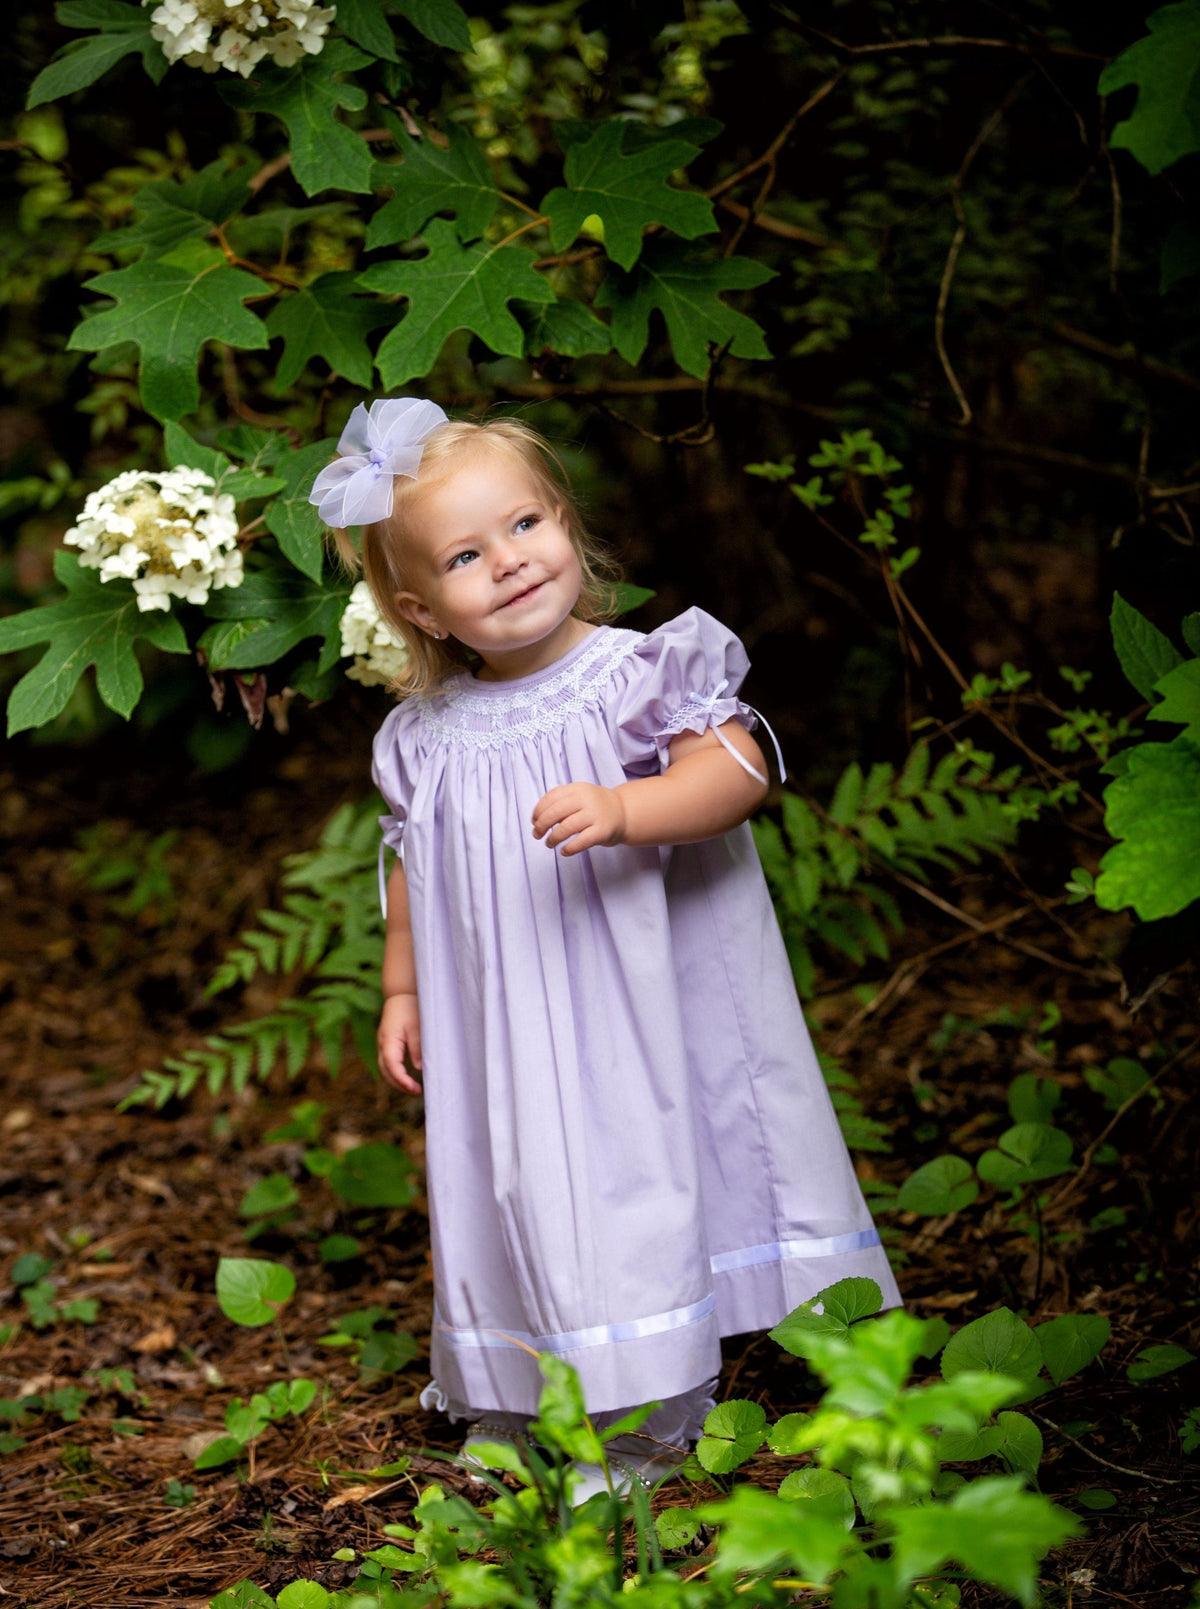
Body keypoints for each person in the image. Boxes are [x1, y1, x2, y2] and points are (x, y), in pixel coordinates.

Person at [309, 397, 901, 1503]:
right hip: (504, 1023)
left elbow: (739, 772)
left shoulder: (640, 672)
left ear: (567, 520)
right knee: (508, 1185)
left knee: (629, 1179)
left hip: (630, 1007)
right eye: (467, 555)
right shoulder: (422, 737)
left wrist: (636, 809)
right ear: (419, 607)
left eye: (527, 525)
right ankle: (517, 1389)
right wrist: (402, 985)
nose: (511, 562)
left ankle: (649, 1417)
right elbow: (410, 863)